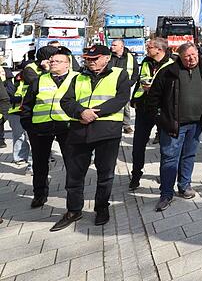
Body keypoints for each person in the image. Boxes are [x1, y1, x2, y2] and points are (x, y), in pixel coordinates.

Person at [50, 44, 131, 231]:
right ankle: (73, 210)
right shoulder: (78, 77)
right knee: (75, 174)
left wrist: (94, 113)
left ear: (106, 58)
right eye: (87, 59)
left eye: (94, 59)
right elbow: (66, 101)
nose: (90, 62)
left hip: (107, 130)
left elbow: (121, 99)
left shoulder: (119, 74)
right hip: (80, 129)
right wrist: (81, 112)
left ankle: (101, 208)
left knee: (105, 174)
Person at [147, 43, 202, 211]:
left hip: (196, 124)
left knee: (189, 155)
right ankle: (166, 193)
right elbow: (153, 99)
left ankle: (184, 186)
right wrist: (162, 120)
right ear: (179, 56)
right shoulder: (168, 72)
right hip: (173, 125)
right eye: (187, 56)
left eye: (194, 54)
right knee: (169, 158)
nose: (191, 58)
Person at [19, 47, 76, 208]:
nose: (53, 63)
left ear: (67, 64)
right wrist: (28, 124)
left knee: (72, 162)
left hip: (67, 127)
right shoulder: (40, 79)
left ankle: (73, 195)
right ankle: (39, 194)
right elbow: (28, 103)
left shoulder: (77, 79)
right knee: (39, 163)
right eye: (51, 61)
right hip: (40, 128)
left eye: (57, 61)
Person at [128, 38, 175, 190]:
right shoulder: (146, 62)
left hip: (162, 110)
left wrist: (155, 89)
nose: (147, 48)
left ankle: (164, 175)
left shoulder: (173, 63)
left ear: (159, 50)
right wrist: (134, 99)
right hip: (144, 109)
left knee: (165, 146)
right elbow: (140, 82)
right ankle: (136, 176)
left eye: (150, 47)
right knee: (138, 145)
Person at [9, 47, 57, 172]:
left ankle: (44, 162)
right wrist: (47, 71)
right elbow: (39, 84)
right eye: (52, 57)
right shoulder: (30, 69)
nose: (54, 60)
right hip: (28, 110)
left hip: (48, 110)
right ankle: (30, 164)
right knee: (30, 140)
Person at [110, 39, 139, 134]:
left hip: (124, 85)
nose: (112, 47)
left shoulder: (130, 57)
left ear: (121, 47)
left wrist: (131, 83)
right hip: (109, 85)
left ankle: (126, 125)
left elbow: (135, 71)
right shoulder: (108, 56)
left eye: (114, 45)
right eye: (112, 45)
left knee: (125, 106)